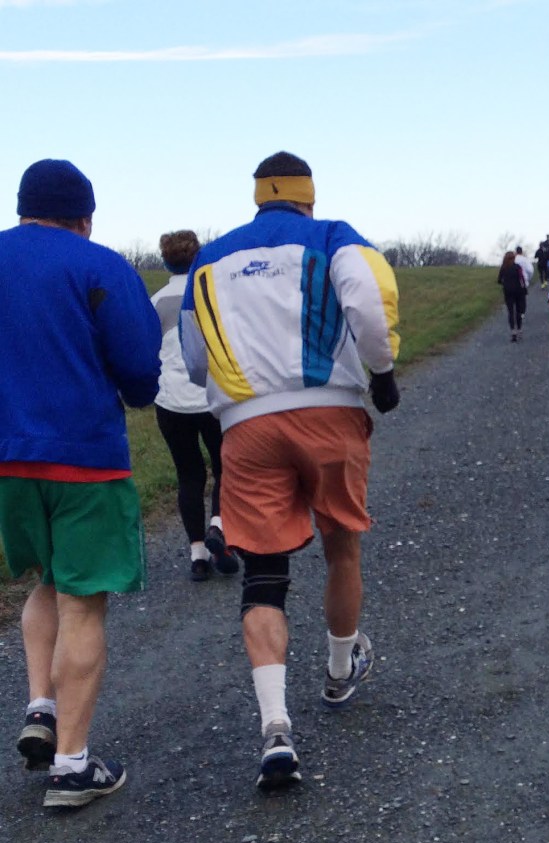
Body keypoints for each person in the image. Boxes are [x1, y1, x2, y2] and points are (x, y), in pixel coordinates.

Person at [180, 151, 400, 789]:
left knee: (264, 573)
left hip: (247, 423)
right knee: (341, 548)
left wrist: (228, 395)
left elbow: (195, 356)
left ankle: (275, 728)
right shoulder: (331, 235)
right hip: (329, 409)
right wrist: (381, 373)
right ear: (308, 195)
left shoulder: (212, 254)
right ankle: (337, 672)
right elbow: (364, 297)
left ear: (257, 197)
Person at [0, 159, 162, 808]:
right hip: (85, 459)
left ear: (21, 207)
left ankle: (42, 704)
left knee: (44, 576)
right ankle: (72, 765)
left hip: (8, 460)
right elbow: (138, 367)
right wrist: (135, 390)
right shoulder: (99, 267)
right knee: (83, 600)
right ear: (85, 216)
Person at [151, 230, 239, 581]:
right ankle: (220, 528)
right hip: (212, 396)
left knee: (188, 475)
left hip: (170, 401)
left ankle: (198, 556)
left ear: (165, 260)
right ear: (198, 256)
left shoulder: (155, 301)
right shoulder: (213, 293)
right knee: (225, 469)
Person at [497, 250, 527, 342]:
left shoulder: (503, 268)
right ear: (514, 258)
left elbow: (499, 280)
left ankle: (513, 332)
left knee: (511, 312)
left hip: (508, 291)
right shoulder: (517, 267)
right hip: (518, 291)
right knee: (519, 311)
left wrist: (505, 283)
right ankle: (519, 330)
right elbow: (522, 279)